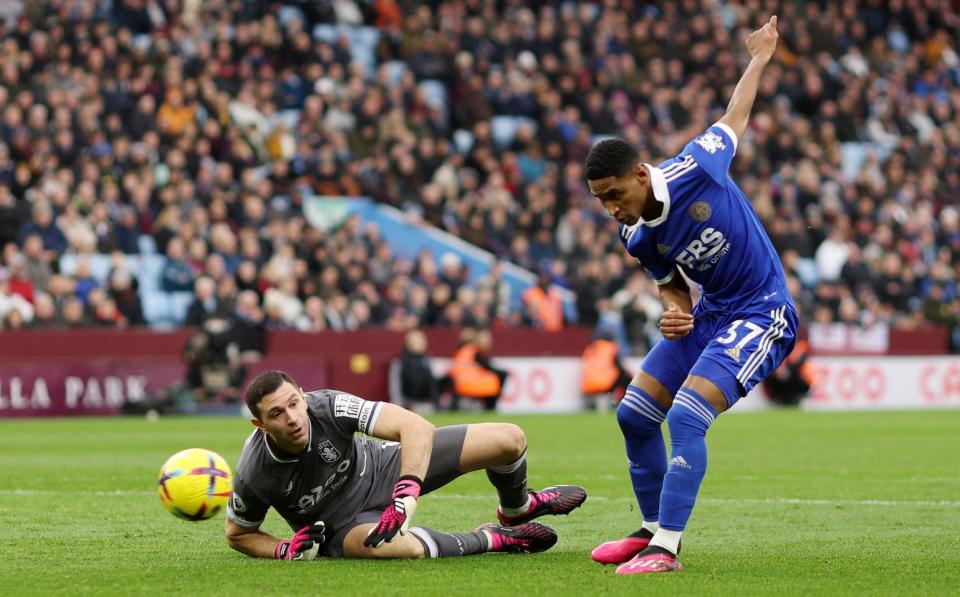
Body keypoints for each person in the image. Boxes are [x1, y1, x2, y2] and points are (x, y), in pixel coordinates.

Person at [584, 17, 796, 574]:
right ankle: (651, 528)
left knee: (686, 416)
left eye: (613, 195)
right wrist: (675, 314)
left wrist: (760, 58)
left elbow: (735, 116)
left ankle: (666, 549)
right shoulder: (637, 235)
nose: (610, 209)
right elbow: (671, 287)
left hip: (762, 311)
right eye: (600, 201)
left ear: (638, 174)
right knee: (633, 415)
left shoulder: (696, 168)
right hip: (710, 316)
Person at [224, 370, 587, 561]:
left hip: (384, 467)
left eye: (293, 403)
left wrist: (406, 491)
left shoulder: (329, 405)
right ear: (260, 425)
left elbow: (413, 425)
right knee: (403, 549)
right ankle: (494, 538)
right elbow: (238, 534)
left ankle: (516, 509)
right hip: (341, 525)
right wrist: (283, 549)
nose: (292, 418)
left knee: (509, 439)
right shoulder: (254, 471)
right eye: (276, 413)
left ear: (303, 396)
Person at [446, 328, 508, 411]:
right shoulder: (475, 351)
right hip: (471, 384)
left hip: (460, 382)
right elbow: (486, 366)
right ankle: (490, 408)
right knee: (497, 377)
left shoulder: (465, 350)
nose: (487, 341)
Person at [580, 331, 632, 411]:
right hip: (605, 384)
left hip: (587, 384)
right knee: (626, 378)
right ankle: (619, 402)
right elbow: (619, 367)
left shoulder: (591, 347)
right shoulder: (611, 347)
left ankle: (598, 402)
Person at [398, 328, 440, 412]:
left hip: (425, 397)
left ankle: (434, 403)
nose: (422, 344)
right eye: (418, 341)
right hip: (412, 397)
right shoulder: (406, 360)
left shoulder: (425, 358)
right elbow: (408, 380)